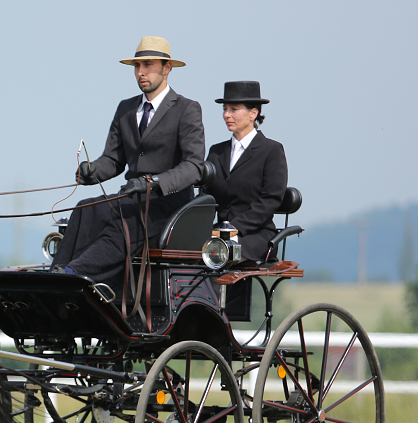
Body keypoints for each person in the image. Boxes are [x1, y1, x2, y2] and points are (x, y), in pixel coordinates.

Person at [51, 36, 205, 292]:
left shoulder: (187, 109)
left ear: (167, 69)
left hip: (168, 202)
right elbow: (113, 159)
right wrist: (92, 171)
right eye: (137, 66)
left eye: (148, 65)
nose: (141, 72)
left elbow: (194, 165)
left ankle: (76, 273)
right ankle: (59, 272)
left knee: (127, 222)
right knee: (85, 208)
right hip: (131, 196)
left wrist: (154, 183)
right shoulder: (126, 108)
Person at [203, 81, 288, 262]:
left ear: (253, 113)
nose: (226, 115)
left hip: (257, 236)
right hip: (219, 236)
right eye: (225, 109)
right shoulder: (216, 152)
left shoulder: (271, 151)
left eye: (234, 109)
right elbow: (205, 199)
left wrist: (233, 228)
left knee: (221, 253)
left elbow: (270, 200)